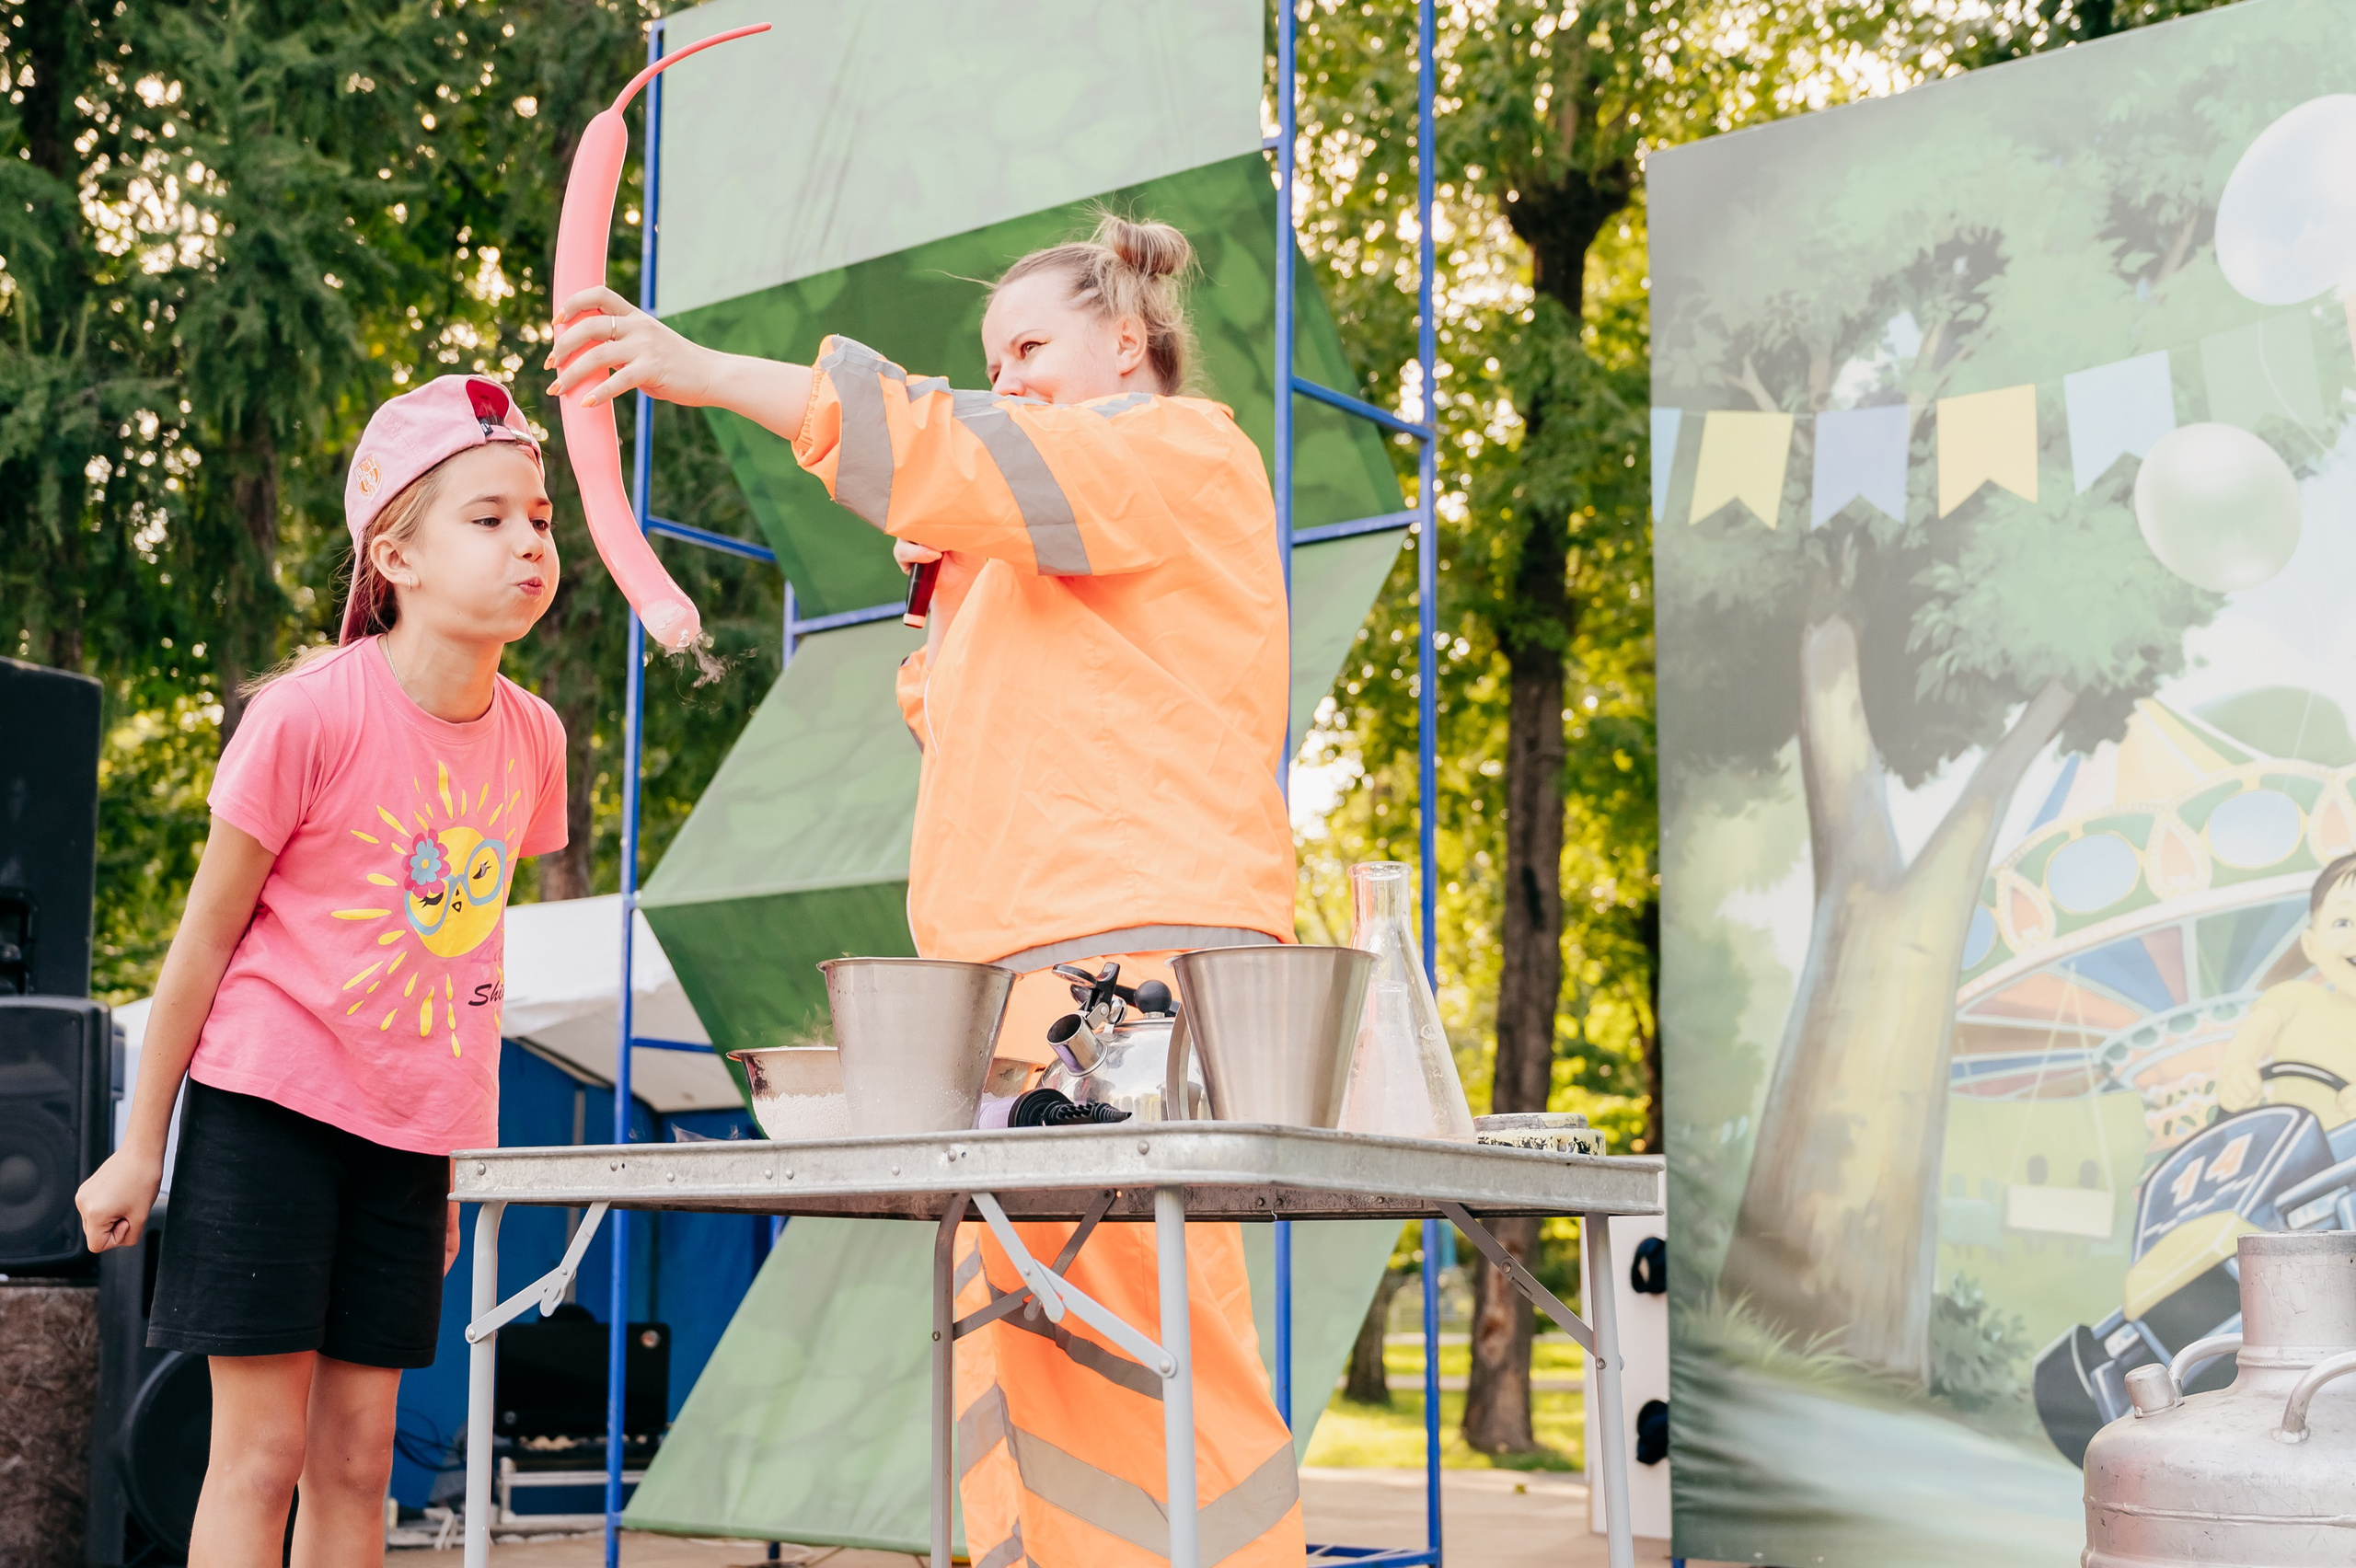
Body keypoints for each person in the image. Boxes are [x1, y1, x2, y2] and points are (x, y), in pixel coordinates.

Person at [547, 213, 1306, 1565]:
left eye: (1029, 347)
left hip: (1125, 954)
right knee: (1014, 1321)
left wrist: (699, 366)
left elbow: (948, 445)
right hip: (1015, 968)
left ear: (1126, 342)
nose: (1001, 376)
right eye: (988, 354)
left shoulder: (1178, 450)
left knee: (1129, 1310)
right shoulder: (1030, 549)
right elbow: (970, 689)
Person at [75, 376, 571, 1567]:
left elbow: (471, 966)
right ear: (392, 555)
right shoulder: (305, 715)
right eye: (489, 518)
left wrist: (450, 1167)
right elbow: (201, 941)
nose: (529, 544)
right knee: (260, 1455)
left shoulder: (536, 737)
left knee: (360, 1459)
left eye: (542, 519)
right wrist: (142, 1145)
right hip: (269, 1113)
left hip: (406, 1144)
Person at [2217, 851, 2356, 1130]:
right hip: (2298, 1158)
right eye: (2343, 923)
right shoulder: (2295, 998)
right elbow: (2249, 1041)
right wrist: (2237, 1072)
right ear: (2310, 944)